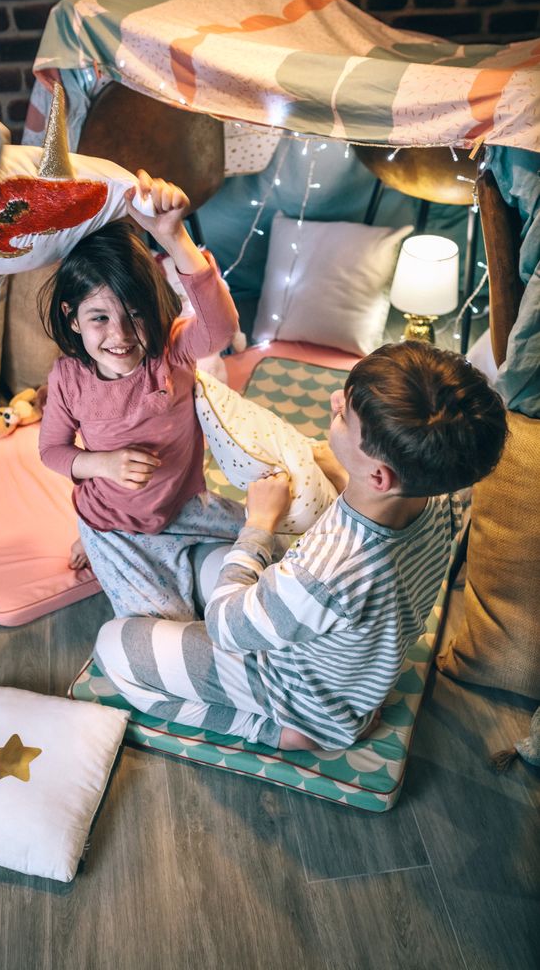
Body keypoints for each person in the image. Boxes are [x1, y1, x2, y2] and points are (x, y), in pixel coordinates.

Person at [92, 341, 508, 751]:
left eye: (344, 417)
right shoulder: (441, 497)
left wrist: (259, 524)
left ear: (380, 478)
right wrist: (348, 474)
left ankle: (282, 733)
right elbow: (388, 515)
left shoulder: (325, 571)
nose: (333, 401)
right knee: (206, 562)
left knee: (113, 645)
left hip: (297, 692)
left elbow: (224, 626)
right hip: (358, 673)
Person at [39, 171, 244, 621]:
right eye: (99, 319)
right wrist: (103, 464)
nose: (121, 335)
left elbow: (221, 329)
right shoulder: (69, 378)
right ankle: (92, 544)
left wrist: (174, 237)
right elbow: (52, 451)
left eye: (134, 314)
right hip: (113, 525)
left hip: (184, 506)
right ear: (73, 319)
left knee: (274, 546)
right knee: (168, 621)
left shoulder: (171, 352)